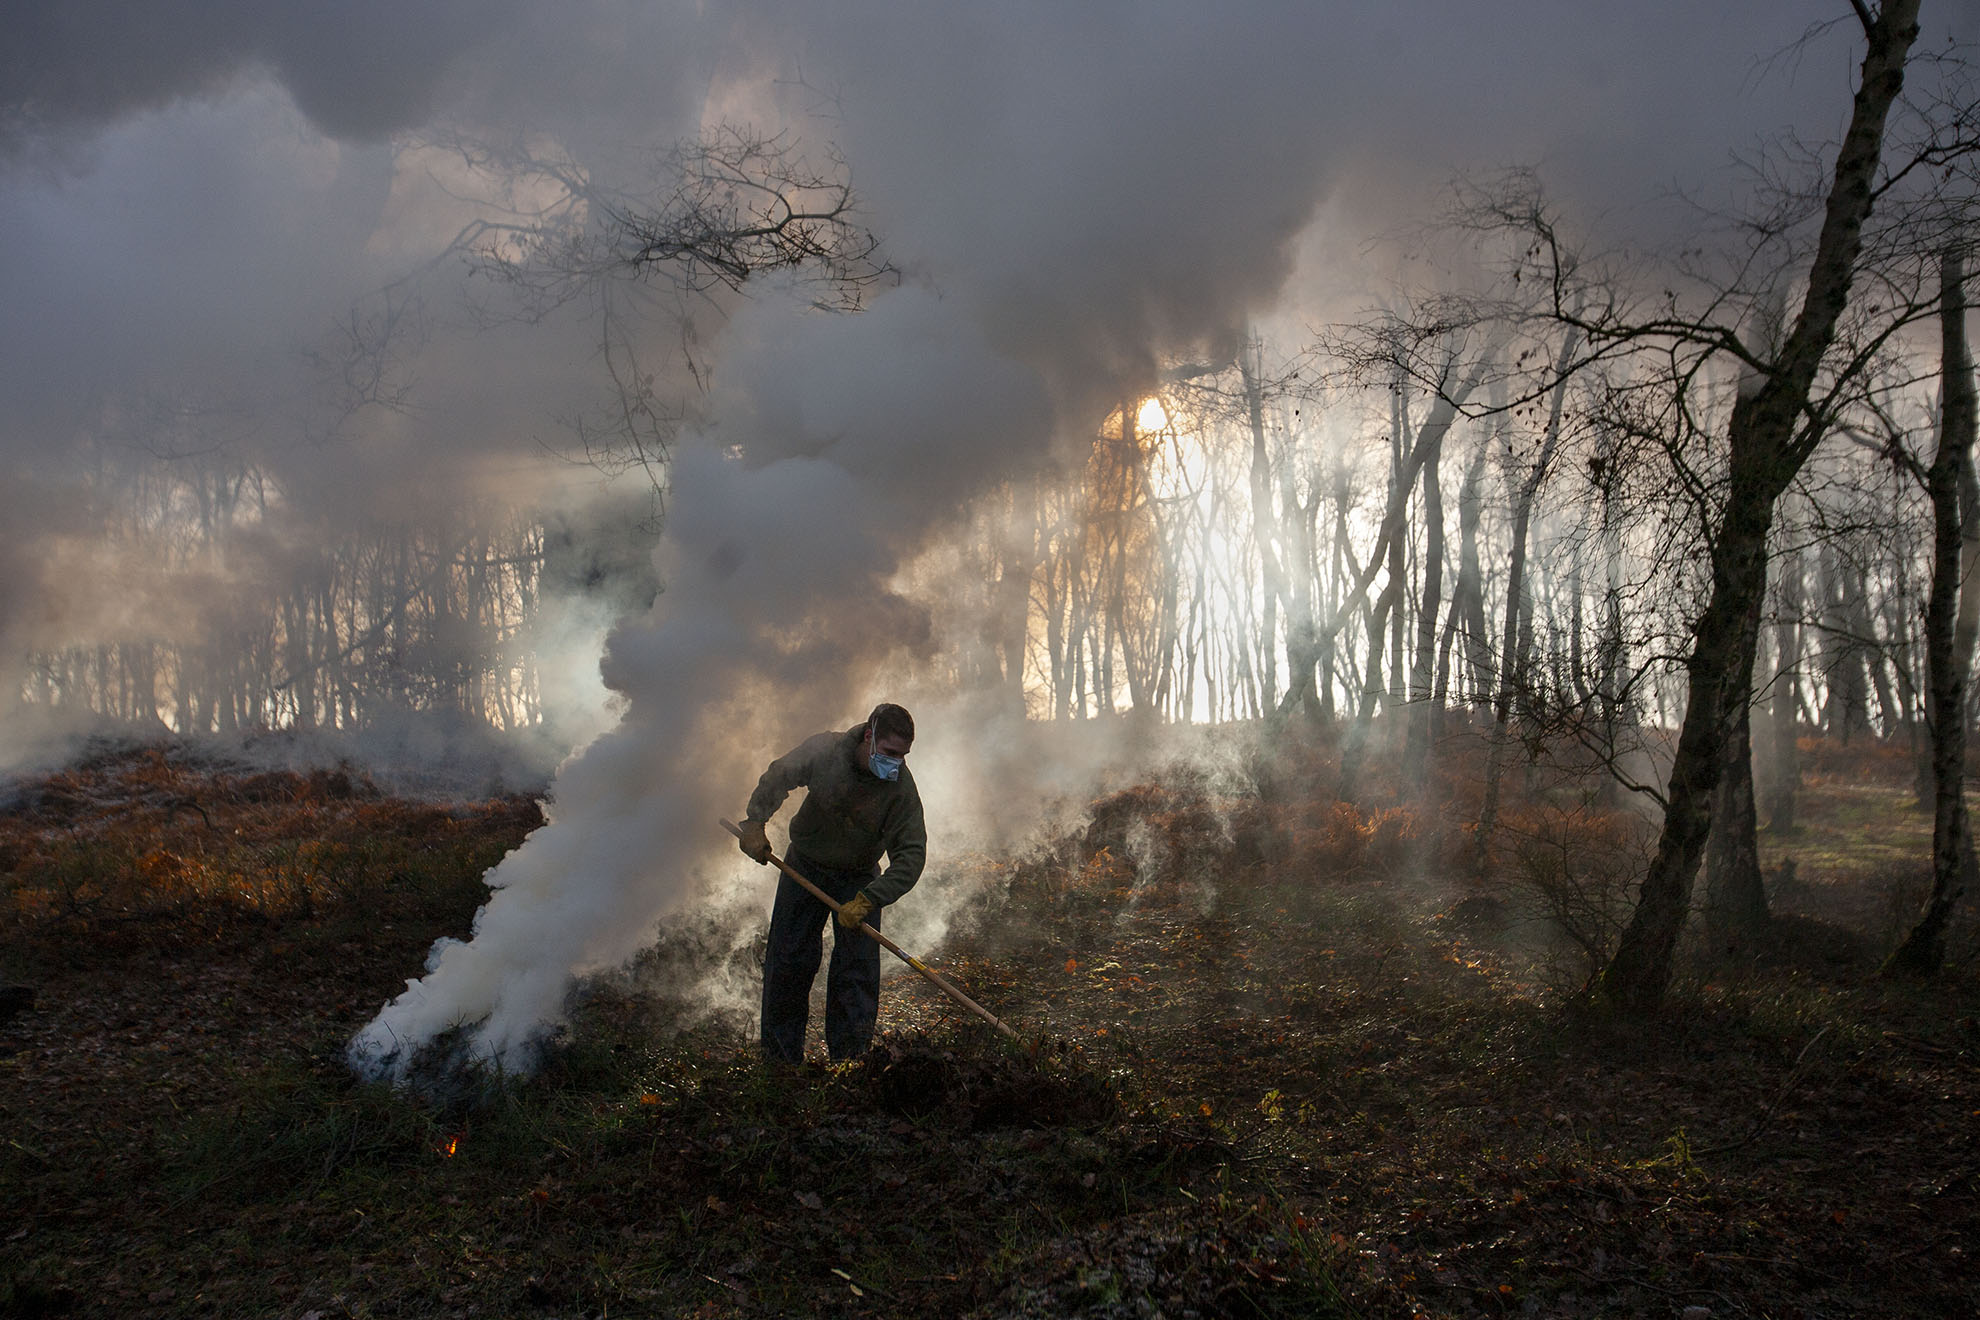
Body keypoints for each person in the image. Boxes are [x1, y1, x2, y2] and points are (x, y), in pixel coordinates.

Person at [736, 702, 925, 1063]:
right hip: (804, 866)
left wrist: (870, 899)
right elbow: (780, 774)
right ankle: (780, 1063)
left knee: (856, 974)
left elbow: (912, 856)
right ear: (869, 736)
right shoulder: (827, 751)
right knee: (788, 961)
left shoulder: (900, 790)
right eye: (889, 753)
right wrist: (755, 822)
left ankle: (850, 1063)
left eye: (903, 755)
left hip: (858, 880)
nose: (895, 763)